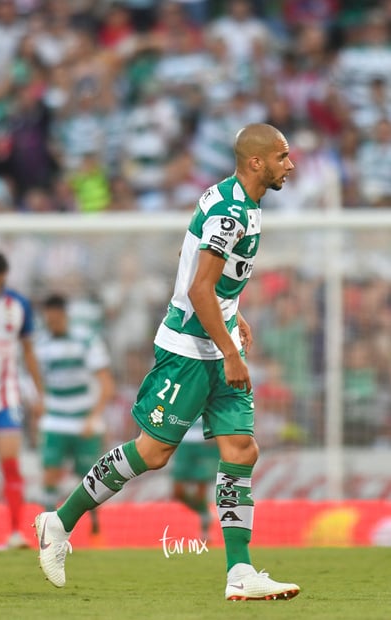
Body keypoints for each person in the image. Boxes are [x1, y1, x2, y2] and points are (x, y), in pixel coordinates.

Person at [34, 122, 300, 601]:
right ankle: (59, 521)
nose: (291, 164)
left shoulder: (240, 201)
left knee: (241, 449)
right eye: (282, 157)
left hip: (215, 342)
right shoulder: (230, 211)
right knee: (153, 453)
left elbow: (192, 260)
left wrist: (230, 314)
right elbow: (198, 286)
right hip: (188, 352)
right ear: (256, 162)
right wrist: (229, 346)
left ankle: (239, 572)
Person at [0, 252, 43, 548]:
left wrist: (39, 393)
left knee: (11, 465)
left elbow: (28, 350)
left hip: (6, 396)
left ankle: (15, 532)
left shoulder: (18, 305)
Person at [36, 294, 115, 543]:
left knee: (91, 478)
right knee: (50, 473)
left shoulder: (86, 339)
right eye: (49, 320)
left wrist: (94, 418)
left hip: (83, 419)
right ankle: (48, 532)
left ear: (64, 316)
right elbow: (34, 380)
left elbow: (106, 383)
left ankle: (95, 528)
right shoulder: (40, 343)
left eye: (57, 319)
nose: (53, 323)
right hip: (56, 418)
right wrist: (38, 403)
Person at [171, 417, 219, 540]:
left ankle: (205, 531)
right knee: (177, 492)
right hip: (184, 442)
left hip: (205, 442)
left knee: (201, 488)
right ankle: (204, 512)